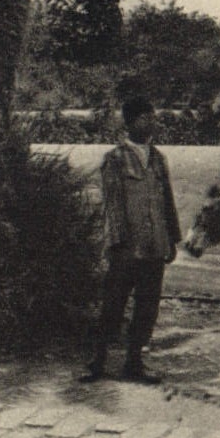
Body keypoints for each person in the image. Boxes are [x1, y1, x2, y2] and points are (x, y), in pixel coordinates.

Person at [80, 94, 181, 383]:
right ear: (131, 123)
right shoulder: (115, 159)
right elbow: (112, 204)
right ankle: (97, 361)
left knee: (147, 307)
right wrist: (117, 243)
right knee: (113, 305)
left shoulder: (159, 159)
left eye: (152, 117)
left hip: (155, 246)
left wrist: (172, 239)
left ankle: (134, 363)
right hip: (127, 248)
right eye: (144, 118)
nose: (150, 123)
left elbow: (167, 201)